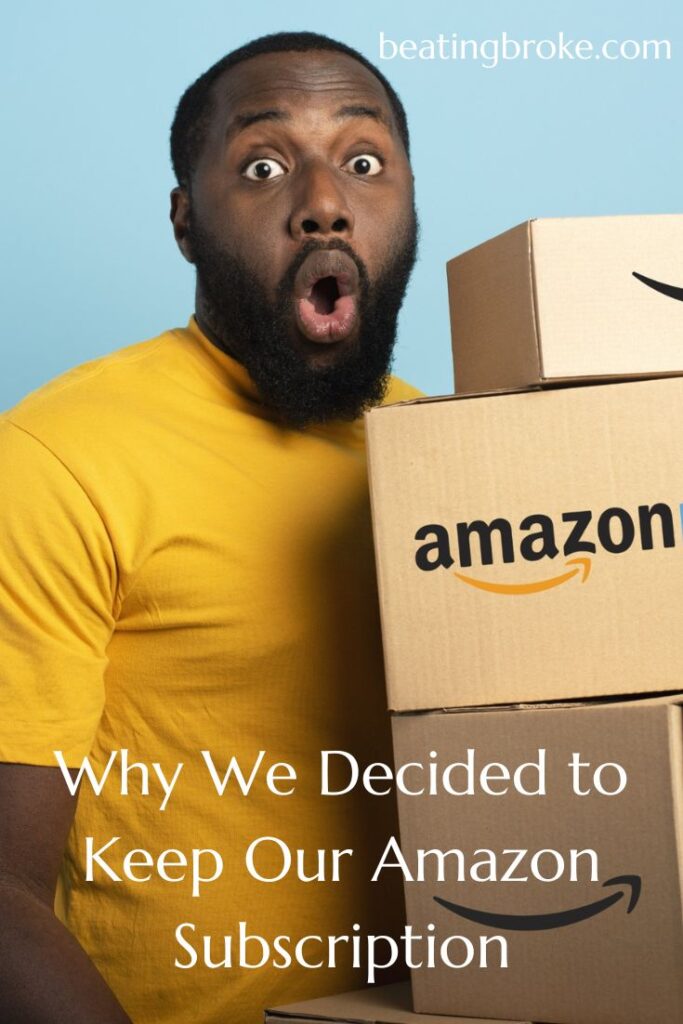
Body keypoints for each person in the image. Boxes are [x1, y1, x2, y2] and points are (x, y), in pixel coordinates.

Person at [0, 31, 420, 1024]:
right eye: (263, 165)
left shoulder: (451, 458)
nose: (324, 200)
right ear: (185, 222)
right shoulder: (59, 456)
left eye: (364, 161)